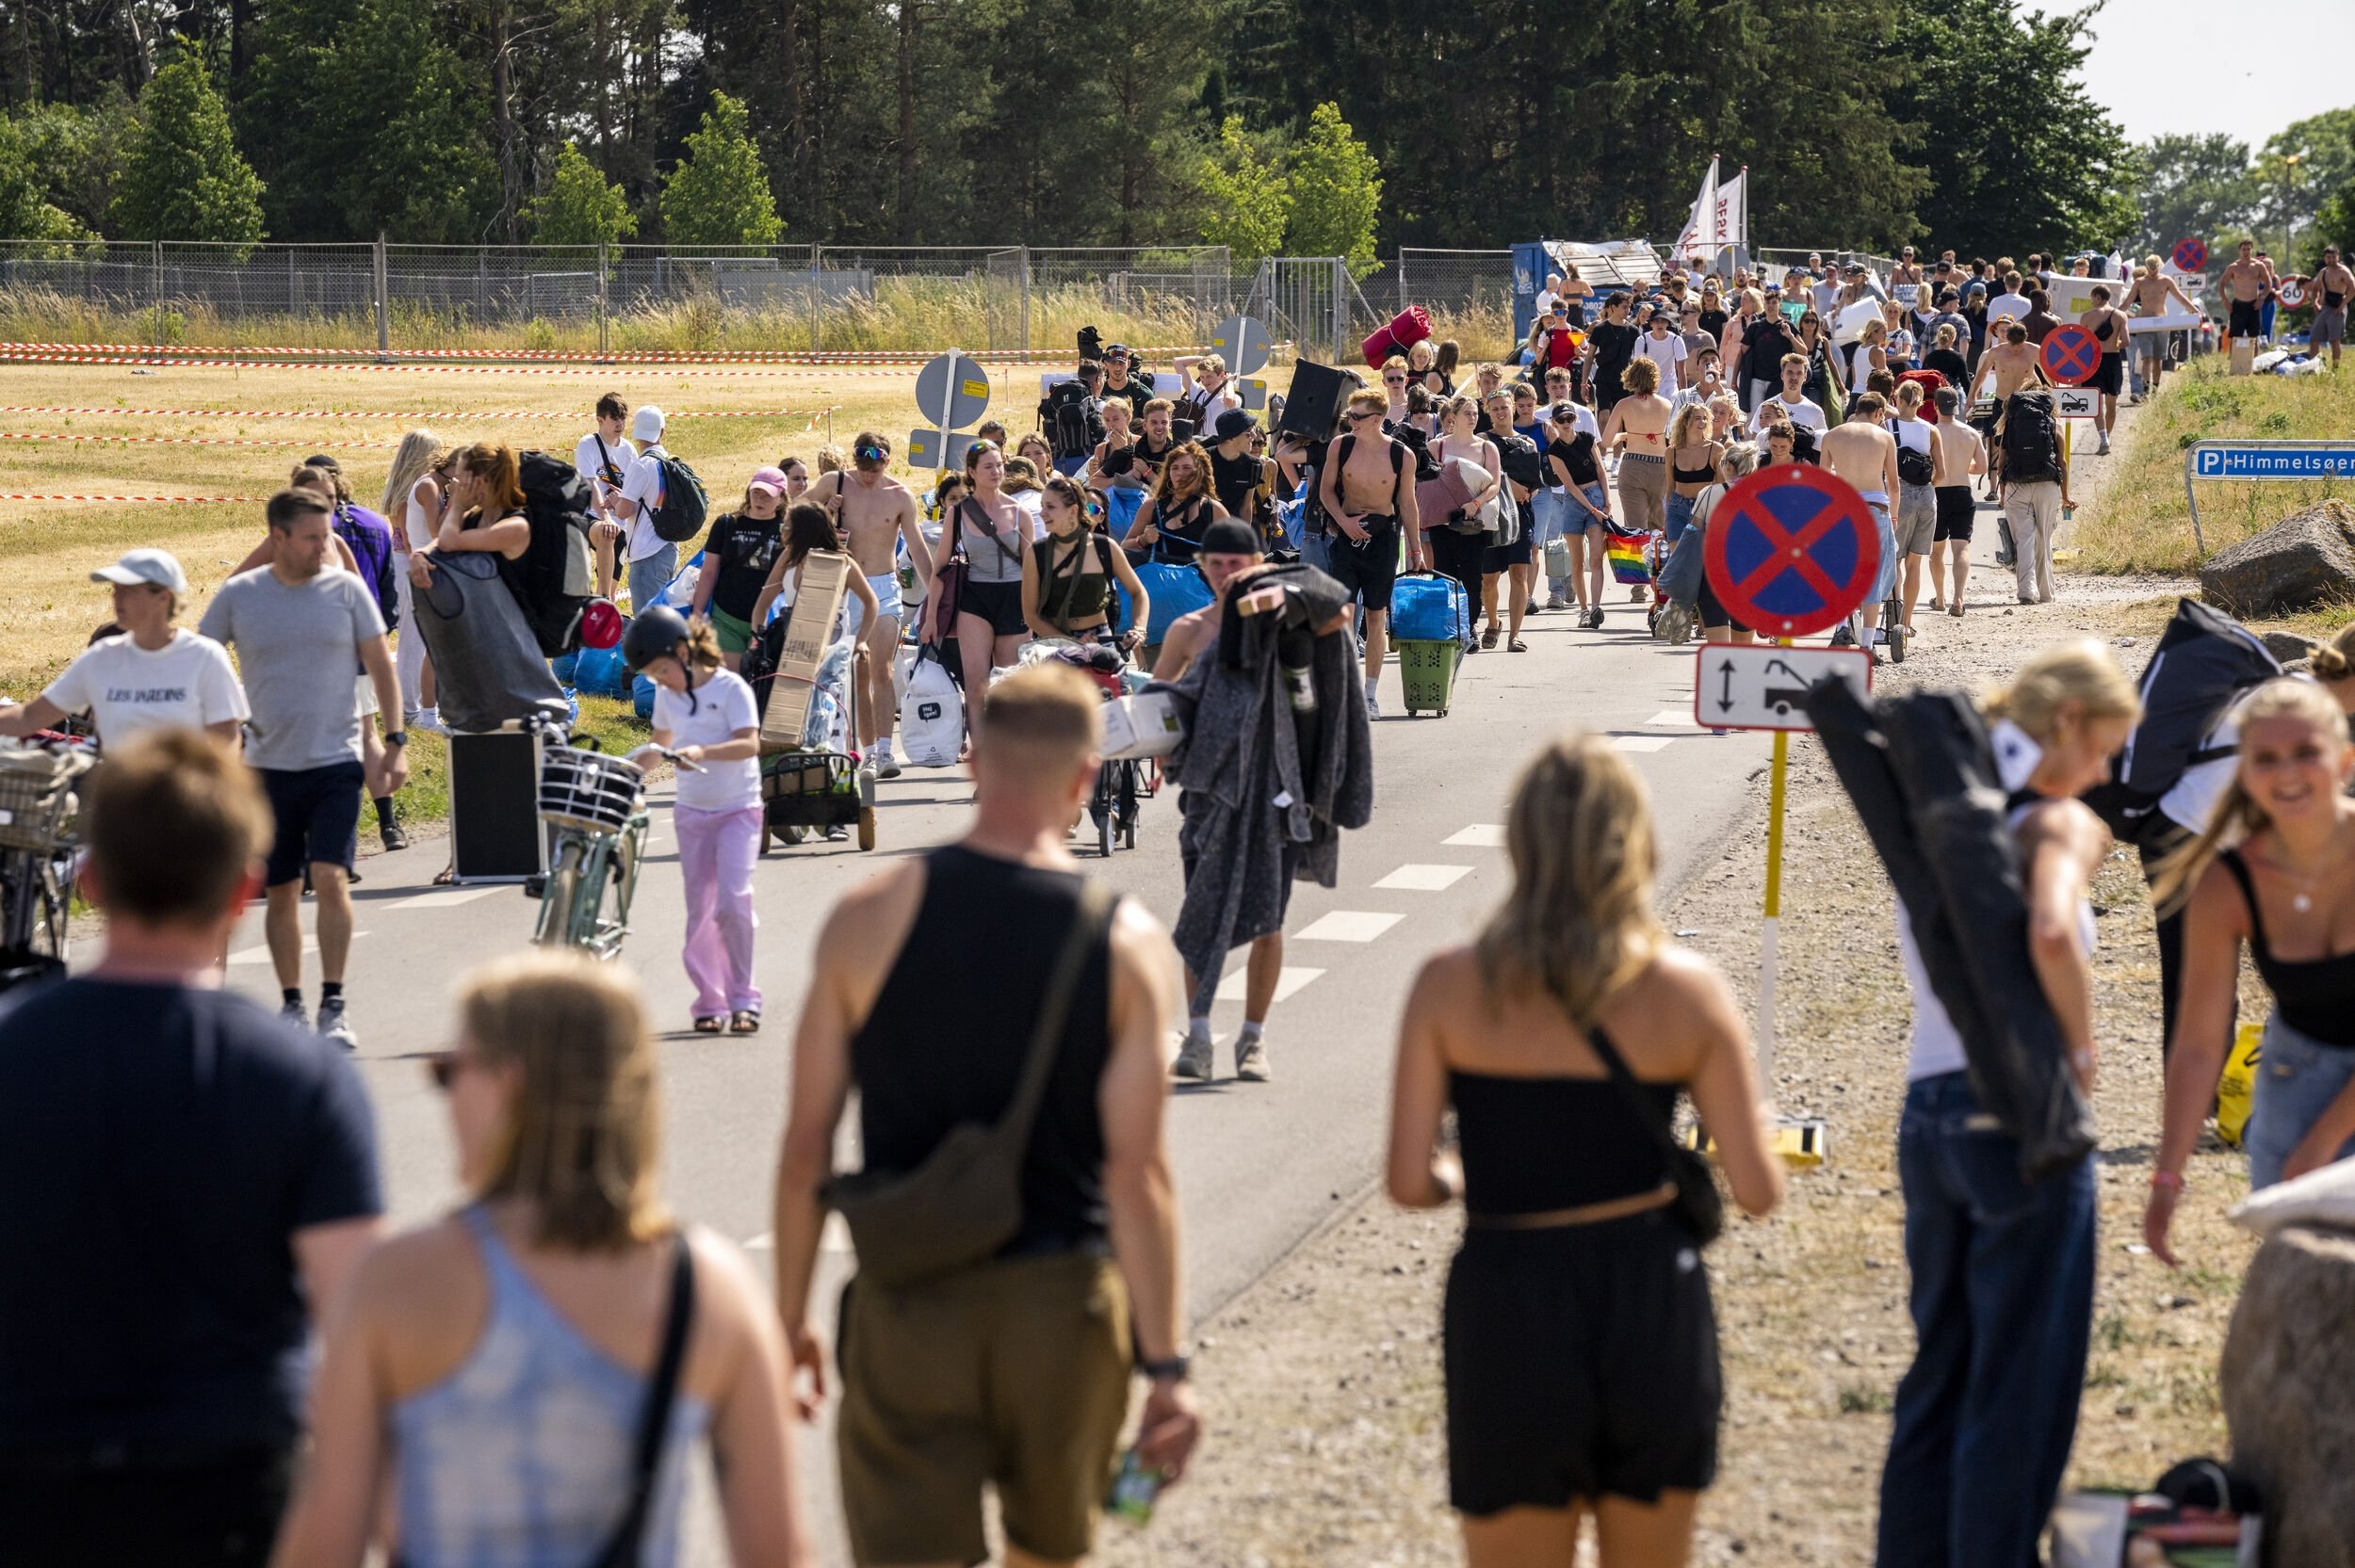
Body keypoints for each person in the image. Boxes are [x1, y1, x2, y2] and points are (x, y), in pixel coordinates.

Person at [772, 664, 1201, 1568]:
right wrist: (1165, 1365)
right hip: (1063, 1302)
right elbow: (1138, 1172)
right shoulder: (1127, 942)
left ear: (973, 760)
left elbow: (807, 1144)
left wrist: (791, 1316)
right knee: (1046, 1551)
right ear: (1086, 776)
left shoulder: (868, 915)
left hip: (909, 1299)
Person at [270, 952, 807, 1568]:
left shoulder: (397, 1282)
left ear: (510, 1085)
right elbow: (778, 1551)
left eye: (449, 1072)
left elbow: (325, 1542)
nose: (444, 1096)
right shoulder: (710, 1287)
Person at [1387, 733, 1780, 1568]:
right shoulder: (1687, 991)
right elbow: (1758, 1189)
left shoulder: (1449, 985)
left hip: (1508, 1295)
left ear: (1519, 841)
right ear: (1634, 842)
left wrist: (1459, 1170)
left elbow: (1408, 1181)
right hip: (1650, 1292)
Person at [0, 728, 382, 1567]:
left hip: (32, 1482)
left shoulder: (15, 1054)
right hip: (232, 1484)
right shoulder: (303, 1080)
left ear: (92, 881)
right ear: (244, 888)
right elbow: (359, 1331)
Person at [1876, 640, 2138, 1568]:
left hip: (1929, 1109)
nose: (2102, 775)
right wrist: (2079, 1049)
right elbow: (2051, 933)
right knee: (2018, 1386)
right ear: (2066, 721)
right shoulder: (2052, 822)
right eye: (2104, 750)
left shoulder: (1949, 810)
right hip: (2020, 1118)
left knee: (1939, 1376)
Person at [2144, 679, 2355, 1264]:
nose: (2286, 773)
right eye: (2265, 758)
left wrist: (2320, 1147)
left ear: (2345, 760)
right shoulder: (2226, 884)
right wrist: (2167, 1176)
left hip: (2317, 1125)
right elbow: (2198, 1044)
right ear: (2243, 774)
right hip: (2295, 1083)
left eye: (2306, 752)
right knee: (2303, 1290)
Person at [202, 488, 407, 1047]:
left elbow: (380, 665)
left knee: (331, 876)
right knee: (283, 889)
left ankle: (333, 1003)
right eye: (313, 538)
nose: (326, 546)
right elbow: (201, 654)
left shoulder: (346, 591)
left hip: (335, 760)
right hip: (267, 767)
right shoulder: (242, 595)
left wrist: (395, 740)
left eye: (326, 535)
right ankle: (292, 1002)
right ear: (279, 538)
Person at [615, 607, 765, 1034]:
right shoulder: (668, 697)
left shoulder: (731, 688)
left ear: (683, 652)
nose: (660, 683)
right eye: (653, 677)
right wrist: (625, 774)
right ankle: (710, 1002)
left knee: (733, 903)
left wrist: (703, 752)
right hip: (692, 814)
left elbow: (749, 744)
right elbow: (658, 745)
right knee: (700, 912)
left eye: (662, 671)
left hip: (738, 810)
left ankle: (744, 998)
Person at [0, 547, 245, 745]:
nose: (116, 597)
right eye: (116, 589)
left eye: (129, 590)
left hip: (181, 791)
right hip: (114, 789)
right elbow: (29, 717)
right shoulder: (101, 657)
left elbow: (226, 740)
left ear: (164, 597)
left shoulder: (204, 657)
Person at [804, 433, 927, 776]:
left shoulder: (900, 495)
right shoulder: (835, 482)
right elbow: (794, 514)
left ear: (887, 462)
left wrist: (936, 600)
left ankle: (886, 752)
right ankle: (868, 752)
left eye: (875, 468)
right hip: (844, 587)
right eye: (863, 467)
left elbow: (918, 549)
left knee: (881, 670)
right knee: (859, 671)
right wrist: (823, 511)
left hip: (883, 588)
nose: (868, 475)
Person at [1322, 388, 1423, 718]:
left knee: (1376, 617)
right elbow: (1326, 491)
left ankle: (1369, 694)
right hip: (1347, 535)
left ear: (1377, 419)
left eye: (1356, 416)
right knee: (1343, 613)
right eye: (1349, 414)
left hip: (1382, 539)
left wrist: (1416, 550)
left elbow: (1407, 503)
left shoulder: (1401, 455)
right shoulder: (1341, 445)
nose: (1350, 420)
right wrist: (1343, 522)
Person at [931, 440, 1033, 727]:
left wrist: (1035, 612)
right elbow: (940, 569)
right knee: (976, 686)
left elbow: (1032, 569)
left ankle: (1008, 745)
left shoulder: (1019, 512)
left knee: (1009, 685)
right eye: (988, 466)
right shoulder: (959, 513)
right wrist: (930, 618)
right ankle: (980, 747)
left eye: (999, 465)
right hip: (975, 598)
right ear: (972, 472)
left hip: (1014, 598)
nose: (996, 471)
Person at [1022, 472, 1149, 648]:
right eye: (1042, 506)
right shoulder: (1036, 553)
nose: (1042, 513)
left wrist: (1139, 629)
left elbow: (1139, 593)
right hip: (1056, 646)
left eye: (1050, 507)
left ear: (1073, 510)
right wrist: (1069, 643)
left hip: (1101, 641)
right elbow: (1031, 616)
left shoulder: (1105, 547)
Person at [688, 466, 789, 671]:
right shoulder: (726, 524)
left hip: (768, 622)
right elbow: (709, 571)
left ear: (781, 499)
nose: (760, 499)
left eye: (768, 495)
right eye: (756, 492)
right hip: (726, 618)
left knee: (757, 683)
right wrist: (697, 612)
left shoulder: (788, 531)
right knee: (733, 681)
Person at [1820, 393, 1901, 649]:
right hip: (1874, 508)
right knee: (1874, 575)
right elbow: (1894, 485)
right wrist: (1894, 516)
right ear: (1878, 413)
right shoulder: (1884, 437)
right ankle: (1867, 644)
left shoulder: (1832, 435)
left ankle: (1842, 627)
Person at [381, 429, 449, 729]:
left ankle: (413, 705)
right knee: (414, 641)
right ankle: (409, 709)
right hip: (409, 564)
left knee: (415, 639)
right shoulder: (416, 491)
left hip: (399, 563)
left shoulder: (400, 487)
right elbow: (410, 541)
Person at [602, 404, 684, 615]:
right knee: (663, 618)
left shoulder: (642, 465)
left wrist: (617, 499)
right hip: (669, 550)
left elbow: (623, 512)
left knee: (648, 623)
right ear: (662, 432)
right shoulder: (670, 463)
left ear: (636, 432)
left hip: (647, 554)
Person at [1998, 384, 2071, 605]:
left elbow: (2001, 465)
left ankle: (2027, 591)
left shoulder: (2010, 425)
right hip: (2047, 486)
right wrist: (2065, 495)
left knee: (2024, 539)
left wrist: (2002, 494)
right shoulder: (2054, 425)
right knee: (2044, 539)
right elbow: (2062, 463)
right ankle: (2046, 593)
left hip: (2016, 486)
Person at [1546, 397, 1615, 630]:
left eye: (1570, 418)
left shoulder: (1586, 439)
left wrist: (1607, 503)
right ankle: (1584, 610)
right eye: (1561, 420)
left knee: (1596, 557)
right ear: (1554, 423)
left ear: (1575, 419)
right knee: (1577, 561)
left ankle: (1596, 607)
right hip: (1574, 501)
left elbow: (1601, 470)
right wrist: (1593, 509)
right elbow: (1570, 485)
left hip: (1595, 493)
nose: (1566, 423)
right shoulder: (1554, 451)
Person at [1600, 356, 1671, 548]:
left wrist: (1623, 436)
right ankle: (1658, 565)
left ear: (1630, 377)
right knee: (1659, 527)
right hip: (1661, 466)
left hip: (1633, 465)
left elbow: (1606, 441)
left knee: (1635, 529)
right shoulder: (1667, 405)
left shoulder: (1624, 404)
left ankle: (1637, 567)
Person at [1926, 387, 1985, 618]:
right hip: (1962, 492)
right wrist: (1962, 467)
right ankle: (1958, 599)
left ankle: (1940, 598)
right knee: (1961, 548)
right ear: (1957, 406)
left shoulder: (1930, 432)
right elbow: (1982, 467)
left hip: (1937, 493)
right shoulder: (1970, 433)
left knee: (1936, 551)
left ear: (1935, 406)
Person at [1890, 380, 1941, 635]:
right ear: (1920, 403)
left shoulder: (1888, 427)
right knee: (1914, 563)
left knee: (1895, 561)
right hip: (1927, 496)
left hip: (1899, 495)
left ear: (1897, 400)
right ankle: (1907, 623)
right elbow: (1941, 473)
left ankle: (1894, 619)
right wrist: (1924, 486)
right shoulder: (1931, 430)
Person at [2125, 255, 2203, 400]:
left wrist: (2196, 310)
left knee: (2157, 358)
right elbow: (2128, 302)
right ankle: (2145, 391)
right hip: (2144, 323)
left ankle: (2155, 390)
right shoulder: (2140, 282)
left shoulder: (2166, 281)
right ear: (2146, 268)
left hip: (2162, 324)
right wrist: (2114, 314)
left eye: (2155, 270)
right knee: (2146, 357)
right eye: (2150, 270)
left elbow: (2180, 297)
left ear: (2160, 267)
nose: (2153, 273)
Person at [2077, 284, 2129, 456]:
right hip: (2113, 360)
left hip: (2094, 360)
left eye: (2092, 297)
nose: (2091, 301)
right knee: (2111, 403)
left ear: (2098, 297)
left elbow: (2081, 344)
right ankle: (2107, 437)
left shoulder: (2086, 316)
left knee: (2095, 402)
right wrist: (2114, 343)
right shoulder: (2121, 316)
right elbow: (2126, 342)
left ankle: (2104, 439)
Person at [1664, 404, 1721, 549]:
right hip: (1677, 508)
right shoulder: (1671, 452)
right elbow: (1670, 487)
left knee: (1701, 556)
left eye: (1705, 418)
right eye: (1697, 418)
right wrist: (1666, 519)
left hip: (1704, 508)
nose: (1703, 422)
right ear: (1685, 421)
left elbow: (1721, 486)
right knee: (1677, 556)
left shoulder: (1716, 449)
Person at [1749, 351, 1827, 439]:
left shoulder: (1815, 411)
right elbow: (1755, 441)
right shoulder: (1766, 407)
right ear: (1782, 374)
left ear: (1805, 376)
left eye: (1799, 373)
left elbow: (1822, 442)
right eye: (1790, 372)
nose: (1794, 377)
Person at [2219, 239, 2275, 352]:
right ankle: (2234, 361)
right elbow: (2221, 284)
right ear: (2239, 251)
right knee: (2235, 336)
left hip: (2253, 305)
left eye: (2248, 249)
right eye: (2243, 249)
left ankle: (2254, 361)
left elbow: (2268, 283)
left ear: (2251, 250)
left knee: (2253, 336)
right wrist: (2225, 301)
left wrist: (2262, 298)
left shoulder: (2258, 266)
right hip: (2238, 305)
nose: (2246, 252)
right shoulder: (2233, 267)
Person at [2308, 244, 2350, 370]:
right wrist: (2315, 303)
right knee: (2314, 338)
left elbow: (2353, 289)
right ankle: (2314, 367)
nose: (2331, 260)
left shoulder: (2343, 271)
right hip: (2324, 308)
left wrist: (2342, 306)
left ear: (2338, 257)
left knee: (2334, 339)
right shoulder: (2323, 272)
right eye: (2328, 257)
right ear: (2325, 258)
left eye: (2333, 257)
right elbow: (2315, 289)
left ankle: (2335, 369)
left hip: (2337, 308)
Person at [1633, 303, 1688, 396]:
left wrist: (1684, 396)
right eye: (1656, 321)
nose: (1659, 324)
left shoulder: (1676, 340)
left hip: (1670, 390)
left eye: (1663, 321)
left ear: (1668, 323)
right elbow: (1637, 369)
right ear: (1651, 324)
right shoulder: (1642, 340)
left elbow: (1681, 371)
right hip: (1648, 389)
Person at [1099, 343, 1151, 423]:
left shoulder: (1142, 394)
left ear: (1128, 364)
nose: (1117, 368)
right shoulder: (1097, 392)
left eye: (1121, 363)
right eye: (1113, 362)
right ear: (1105, 364)